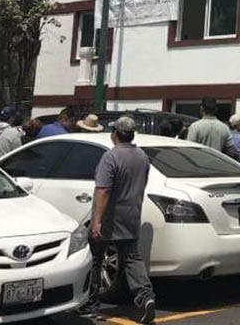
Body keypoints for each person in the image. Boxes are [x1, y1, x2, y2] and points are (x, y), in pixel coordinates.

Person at [82, 116, 156, 324]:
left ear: (115, 133)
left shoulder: (111, 157)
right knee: (131, 258)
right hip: (131, 215)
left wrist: (97, 221)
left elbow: (103, 190)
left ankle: (90, 304)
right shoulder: (141, 156)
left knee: (95, 259)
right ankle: (145, 296)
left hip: (110, 218)